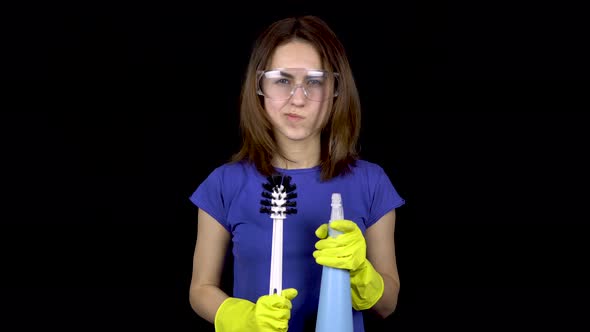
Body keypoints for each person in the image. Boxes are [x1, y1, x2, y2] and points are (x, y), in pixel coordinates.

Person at [188, 15, 405, 332]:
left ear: (336, 89)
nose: (298, 99)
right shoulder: (224, 184)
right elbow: (200, 289)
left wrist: (362, 273)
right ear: (260, 85)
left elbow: (388, 304)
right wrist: (242, 318)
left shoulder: (372, 183)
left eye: (314, 81)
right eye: (282, 80)